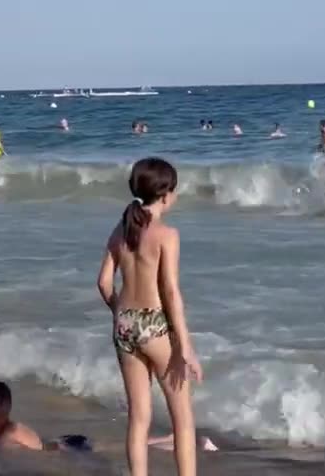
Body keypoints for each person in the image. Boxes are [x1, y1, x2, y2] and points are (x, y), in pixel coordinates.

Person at [96, 158, 201, 476]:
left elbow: (103, 283)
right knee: (182, 419)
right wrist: (186, 346)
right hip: (155, 325)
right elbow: (170, 293)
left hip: (125, 324)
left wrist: (120, 313)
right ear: (166, 194)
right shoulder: (166, 234)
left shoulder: (121, 229)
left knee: (138, 418)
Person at [0, 380, 217, 454]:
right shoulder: (3, 428)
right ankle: (179, 440)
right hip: (64, 442)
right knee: (129, 446)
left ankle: (184, 440)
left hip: (69, 448)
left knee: (127, 447)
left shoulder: (5, 439)